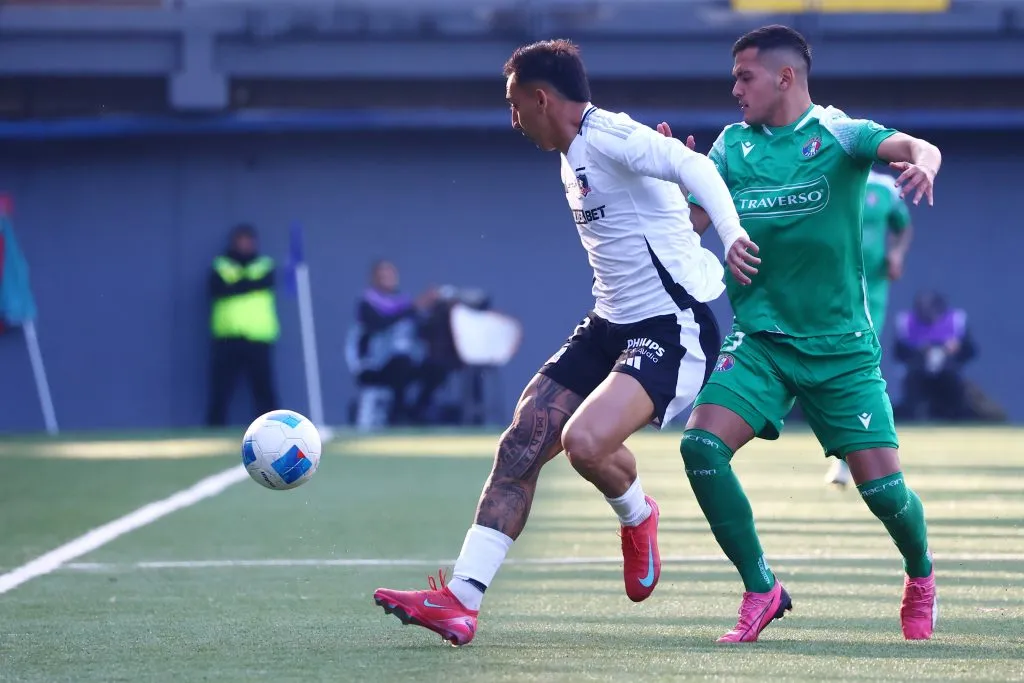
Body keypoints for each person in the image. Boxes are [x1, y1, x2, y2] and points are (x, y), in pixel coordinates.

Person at [373, 38, 755, 646]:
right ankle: (461, 602)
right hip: (607, 323)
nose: (512, 117)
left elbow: (699, 167)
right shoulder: (572, 148)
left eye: (514, 103)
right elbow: (654, 211)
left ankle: (638, 514)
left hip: (672, 327)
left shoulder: (607, 134)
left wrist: (729, 235)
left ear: (541, 97)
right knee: (520, 442)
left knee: (582, 442)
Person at [657, 25, 940, 642]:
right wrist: (666, 176)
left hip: (840, 350)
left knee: (885, 493)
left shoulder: (838, 134)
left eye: (744, 76)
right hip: (760, 341)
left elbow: (918, 147)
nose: (734, 89)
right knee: (700, 449)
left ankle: (920, 573)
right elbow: (683, 228)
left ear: (785, 77)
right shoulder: (731, 148)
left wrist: (922, 165)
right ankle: (761, 588)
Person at [826, 168, 914, 487]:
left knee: (860, 368)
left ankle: (865, 459)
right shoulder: (827, 177)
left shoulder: (884, 189)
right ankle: (847, 457)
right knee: (833, 372)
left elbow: (903, 227)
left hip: (871, 292)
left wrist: (897, 253)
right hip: (830, 290)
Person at [351, 260, 448, 425]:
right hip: (376, 365)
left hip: (407, 362)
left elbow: (421, 328)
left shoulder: (403, 302)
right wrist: (413, 307)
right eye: (382, 275)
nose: (387, 279)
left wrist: (438, 308)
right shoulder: (367, 303)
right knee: (400, 364)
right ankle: (397, 413)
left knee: (437, 367)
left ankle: (417, 410)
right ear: (374, 278)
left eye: (390, 274)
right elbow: (380, 323)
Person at [205, 223, 280, 426]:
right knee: (221, 388)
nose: (245, 245)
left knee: (263, 388)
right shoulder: (221, 264)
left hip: (258, 337)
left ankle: (272, 428)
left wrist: (236, 285)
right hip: (228, 337)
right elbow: (217, 288)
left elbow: (265, 282)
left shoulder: (264, 264)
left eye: (248, 241)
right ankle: (214, 429)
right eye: (241, 241)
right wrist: (249, 285)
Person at [893, 290, 977, 421]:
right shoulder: (906, 322)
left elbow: (970, 351)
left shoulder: (956, 321)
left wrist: (958, 348)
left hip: (949, 375)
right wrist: (918, 351)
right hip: (918, 375)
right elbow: (898, 354)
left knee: (956, 394)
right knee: (911, 394)